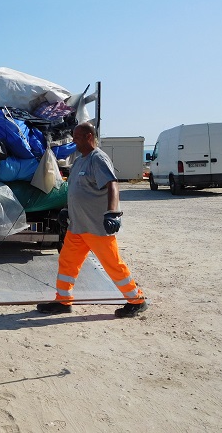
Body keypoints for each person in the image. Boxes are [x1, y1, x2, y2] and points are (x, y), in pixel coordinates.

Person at [37, 122, 148, 318]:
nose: (74, 141)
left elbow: (112, 184)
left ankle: (136, 300)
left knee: (113, 264)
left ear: (89, 137)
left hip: (97, 227)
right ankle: (63, 301)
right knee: (67, 263)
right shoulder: (79, 161)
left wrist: (112, 213)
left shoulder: (98, 159)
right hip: (78, 227)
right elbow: (76, 191)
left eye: (77, 138)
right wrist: (66, 210)